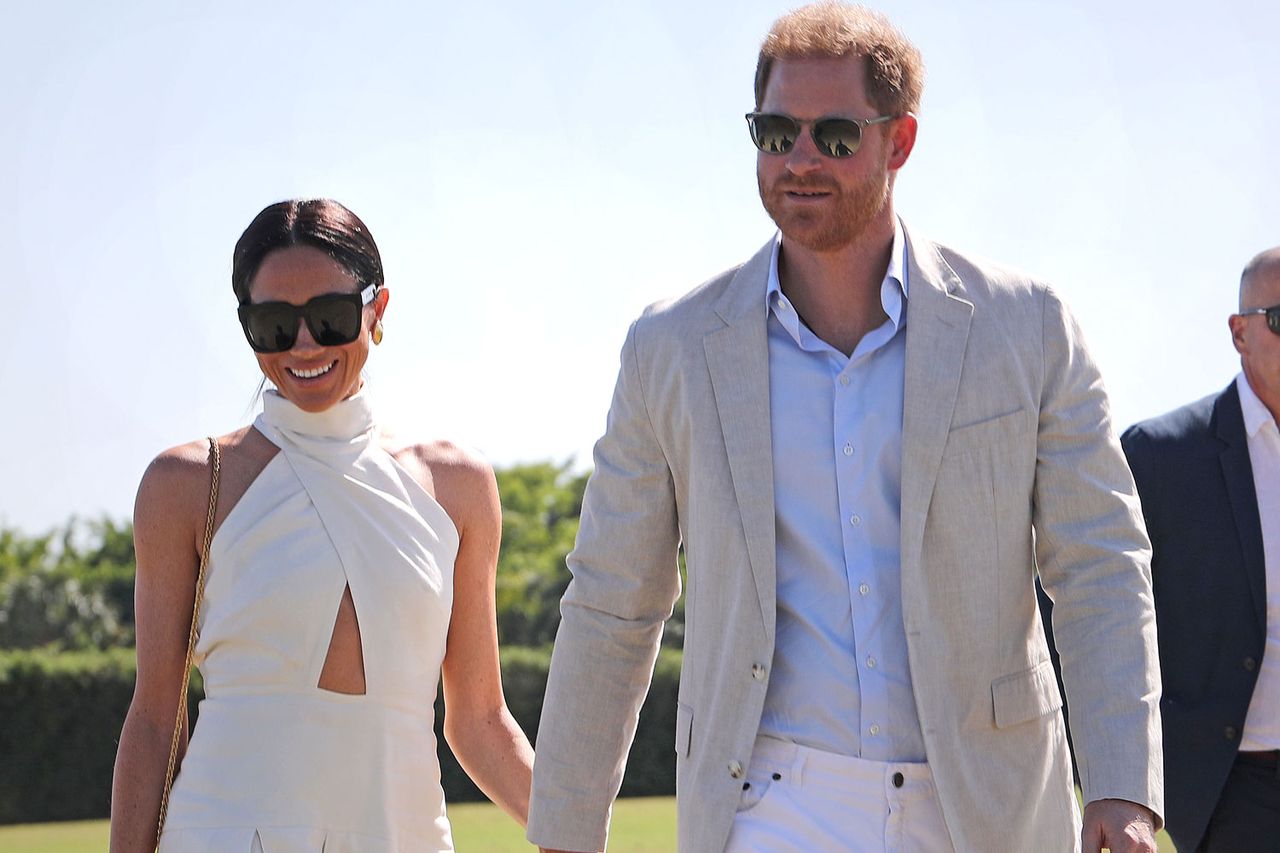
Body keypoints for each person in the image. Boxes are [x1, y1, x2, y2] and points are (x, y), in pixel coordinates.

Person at [526, 4, 1163, 852]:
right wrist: (567, 827)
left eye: (832, 135)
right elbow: (613, 600)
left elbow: (1099, 567)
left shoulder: (1029, 324)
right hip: (771, 803)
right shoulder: (670, 348)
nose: (797, 160)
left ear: (897, 142)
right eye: (775, 131)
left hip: (987, 799)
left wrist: (1120, 785)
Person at [109, 199, 534, 851]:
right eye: (274, 324)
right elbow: (154, 718)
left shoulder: (458, 486)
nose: (304, 345)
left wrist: (580, 831)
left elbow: (478, 720)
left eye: (330, 318)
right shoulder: (185, 484)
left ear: (378, 310)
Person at [1120, 248, 1280, 852]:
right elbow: (1077, 604)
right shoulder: (1161, 456)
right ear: (1240, 333)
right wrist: (1109, 774)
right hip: (1227, 795)